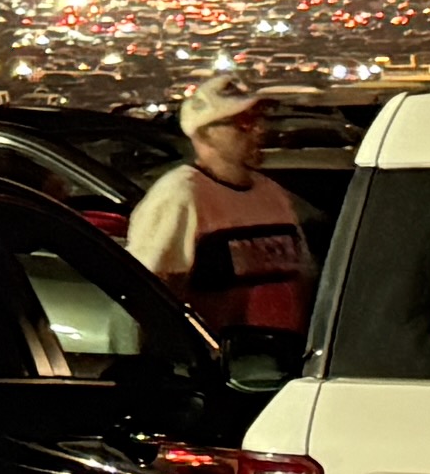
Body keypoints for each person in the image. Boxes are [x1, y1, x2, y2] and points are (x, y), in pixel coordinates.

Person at [128, 78, 310, 353]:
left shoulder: (272, 194)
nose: (259, 130)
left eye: (259, 119)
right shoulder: (181, 196)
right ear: (205, 133)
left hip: (282, 364)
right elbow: (151, 292)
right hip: (222, 370)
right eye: (244, 122)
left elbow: (301, 280)